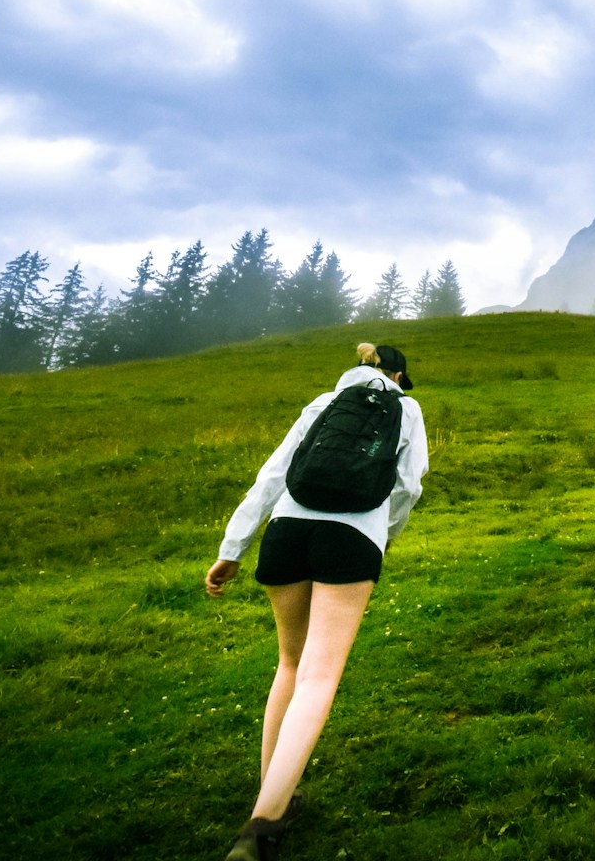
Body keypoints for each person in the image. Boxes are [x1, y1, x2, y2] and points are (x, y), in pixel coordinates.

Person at [204, 343, 429, 861]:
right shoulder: (407, 408)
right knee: (319, 678)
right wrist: (382, 536)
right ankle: (262, 827)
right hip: (352, 537)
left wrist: (231, 549)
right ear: (397, 374)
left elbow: (272, 474)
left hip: (286, 530)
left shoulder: (324, 400)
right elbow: (408, 485)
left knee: (289, 664)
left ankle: (274, 797)